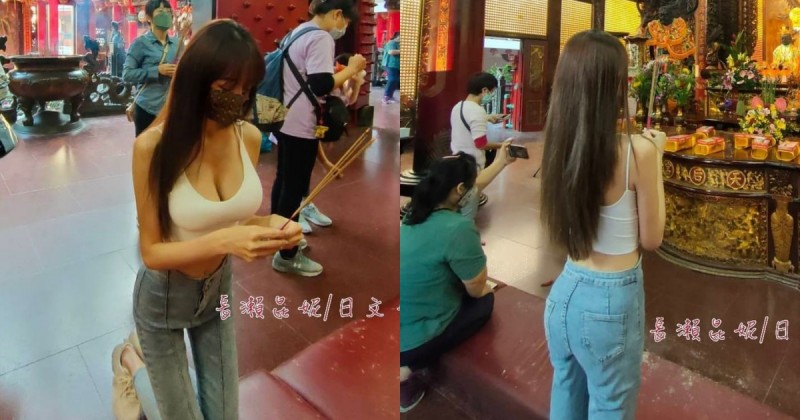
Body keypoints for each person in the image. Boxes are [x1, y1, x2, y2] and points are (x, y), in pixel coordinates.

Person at [113, 19, 303, 420]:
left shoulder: (248, 137)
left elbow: (232, 220)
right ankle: (131, 361)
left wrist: (273, 225)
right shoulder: (153, 147)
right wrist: (227, 242)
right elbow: (152, 252)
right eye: (226, 88)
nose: (238, 99)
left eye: (246, 89)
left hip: (220, 295)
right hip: (163, 298)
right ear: (196, 81)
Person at [539, 30, 666, 419]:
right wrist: (656, 156)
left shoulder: (558, 144)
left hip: (565, 292)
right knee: (611, 405)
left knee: (566, 390)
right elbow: (652, 238)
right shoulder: (638, 151)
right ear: (614, 86)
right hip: (610, 305)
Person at [399, 151, 508, 413]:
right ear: (460, 189)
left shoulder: (412, 215)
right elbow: (477, 288)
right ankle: (409, 370)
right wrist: (479, 275)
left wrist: (501, 162)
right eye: (469, 187)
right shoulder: (458, 228)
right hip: (411, 344)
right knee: (485, 301)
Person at [271, 0, 366, 276]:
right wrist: (353, 68)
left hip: (284, 118)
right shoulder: (321, 38)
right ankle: (287, 254)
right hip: (302, 123)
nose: (343, 28)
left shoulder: (296, 32)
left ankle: (278, 236)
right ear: (337, 14)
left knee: (283, 180)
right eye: (345, 22)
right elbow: (321, 84)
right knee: (295, 187)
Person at [450, 72, 509, 206]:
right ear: (484, 90)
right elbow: (481, 144)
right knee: (470, 199)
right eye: (492, 92)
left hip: (458, 158)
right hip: (474, 163)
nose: (491, 95)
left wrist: (488, 118)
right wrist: (502, 145)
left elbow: (467, 121)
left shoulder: (458, 106)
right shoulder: (477, 111)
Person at [123, 0, 178, 136]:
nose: (165, 15)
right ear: (148, 17)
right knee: (146, 147)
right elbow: (127, 74)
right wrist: (157, 71)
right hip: (147, 108)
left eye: (168, 12)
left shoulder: (177, 44)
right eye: (160, 11)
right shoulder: (140, 44)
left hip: (172, 109)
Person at [382, 31, 400, 104]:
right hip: (390, 64)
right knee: (392, 79)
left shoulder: (398, 44)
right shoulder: (391, 43)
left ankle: (390, 96)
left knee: (395, 80)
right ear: (397, 36)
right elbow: (391, 52)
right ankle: (386, 96)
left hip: (396, 65)